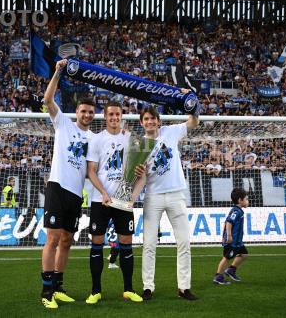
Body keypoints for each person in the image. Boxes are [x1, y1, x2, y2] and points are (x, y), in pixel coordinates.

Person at [40, 59, 96, 310]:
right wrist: (57, 73)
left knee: (67, 241)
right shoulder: (63, 122)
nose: (86, 114)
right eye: (83, 111)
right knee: (52, 239)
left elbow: (94, 170)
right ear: (77, 111)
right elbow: (48, 99)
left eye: (90, 112)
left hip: (76, 194)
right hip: (57, 187)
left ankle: (58, 285)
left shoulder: (93, 139)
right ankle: (46, 290)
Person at [85, 100, 144, 304]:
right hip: (100, 200)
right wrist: (102, 192)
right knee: (97, 243)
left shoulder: (132, 139)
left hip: (122, 198)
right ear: (105, 117)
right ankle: (95, 291)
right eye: (110, 115)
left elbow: (138, 170)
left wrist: (137, 178)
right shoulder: (97, 140)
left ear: (122, 116)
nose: (114, 118)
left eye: (117, 115)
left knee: (126, 242)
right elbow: (91, 171)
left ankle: (128, 289)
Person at [139, 104, 199, 301]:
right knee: (149, 244)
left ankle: (184, 287)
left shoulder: (170, 132)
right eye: (146, 119)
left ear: (158, 121)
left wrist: (191, 104)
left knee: (184, 243)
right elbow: (136, 178)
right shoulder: (139, 145)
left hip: (176, 194)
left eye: (153, 118)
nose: (150, 122)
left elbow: (193, 122)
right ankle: (148, 287)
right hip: (153, 196)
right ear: (142, 122)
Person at [213, 187, 249, 285]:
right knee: (226, 258)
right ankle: (218, 277)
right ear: (240, 200)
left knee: (244, 254)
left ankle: (231, 270)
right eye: (246, 199)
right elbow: (228, 222)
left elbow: (226, 222)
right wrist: (228, 236)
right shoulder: (236, 211)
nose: (247, 201)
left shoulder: (238, 211)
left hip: (238, 242)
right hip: (232, 242)